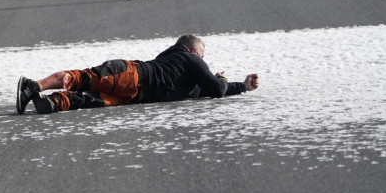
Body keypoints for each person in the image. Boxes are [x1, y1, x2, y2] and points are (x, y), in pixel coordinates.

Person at [16, 34, 260, 115]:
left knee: (86, 99)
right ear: (194, 50)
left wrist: (242, 86)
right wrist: (222, 79)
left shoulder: (177, 66)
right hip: (130, 74)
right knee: (80, 79)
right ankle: (32, 86)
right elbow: (215, 90)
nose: (203, 63)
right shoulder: (189, 58)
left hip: (133, 96)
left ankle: (50, 102)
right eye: (202, 57)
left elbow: (200, 91)